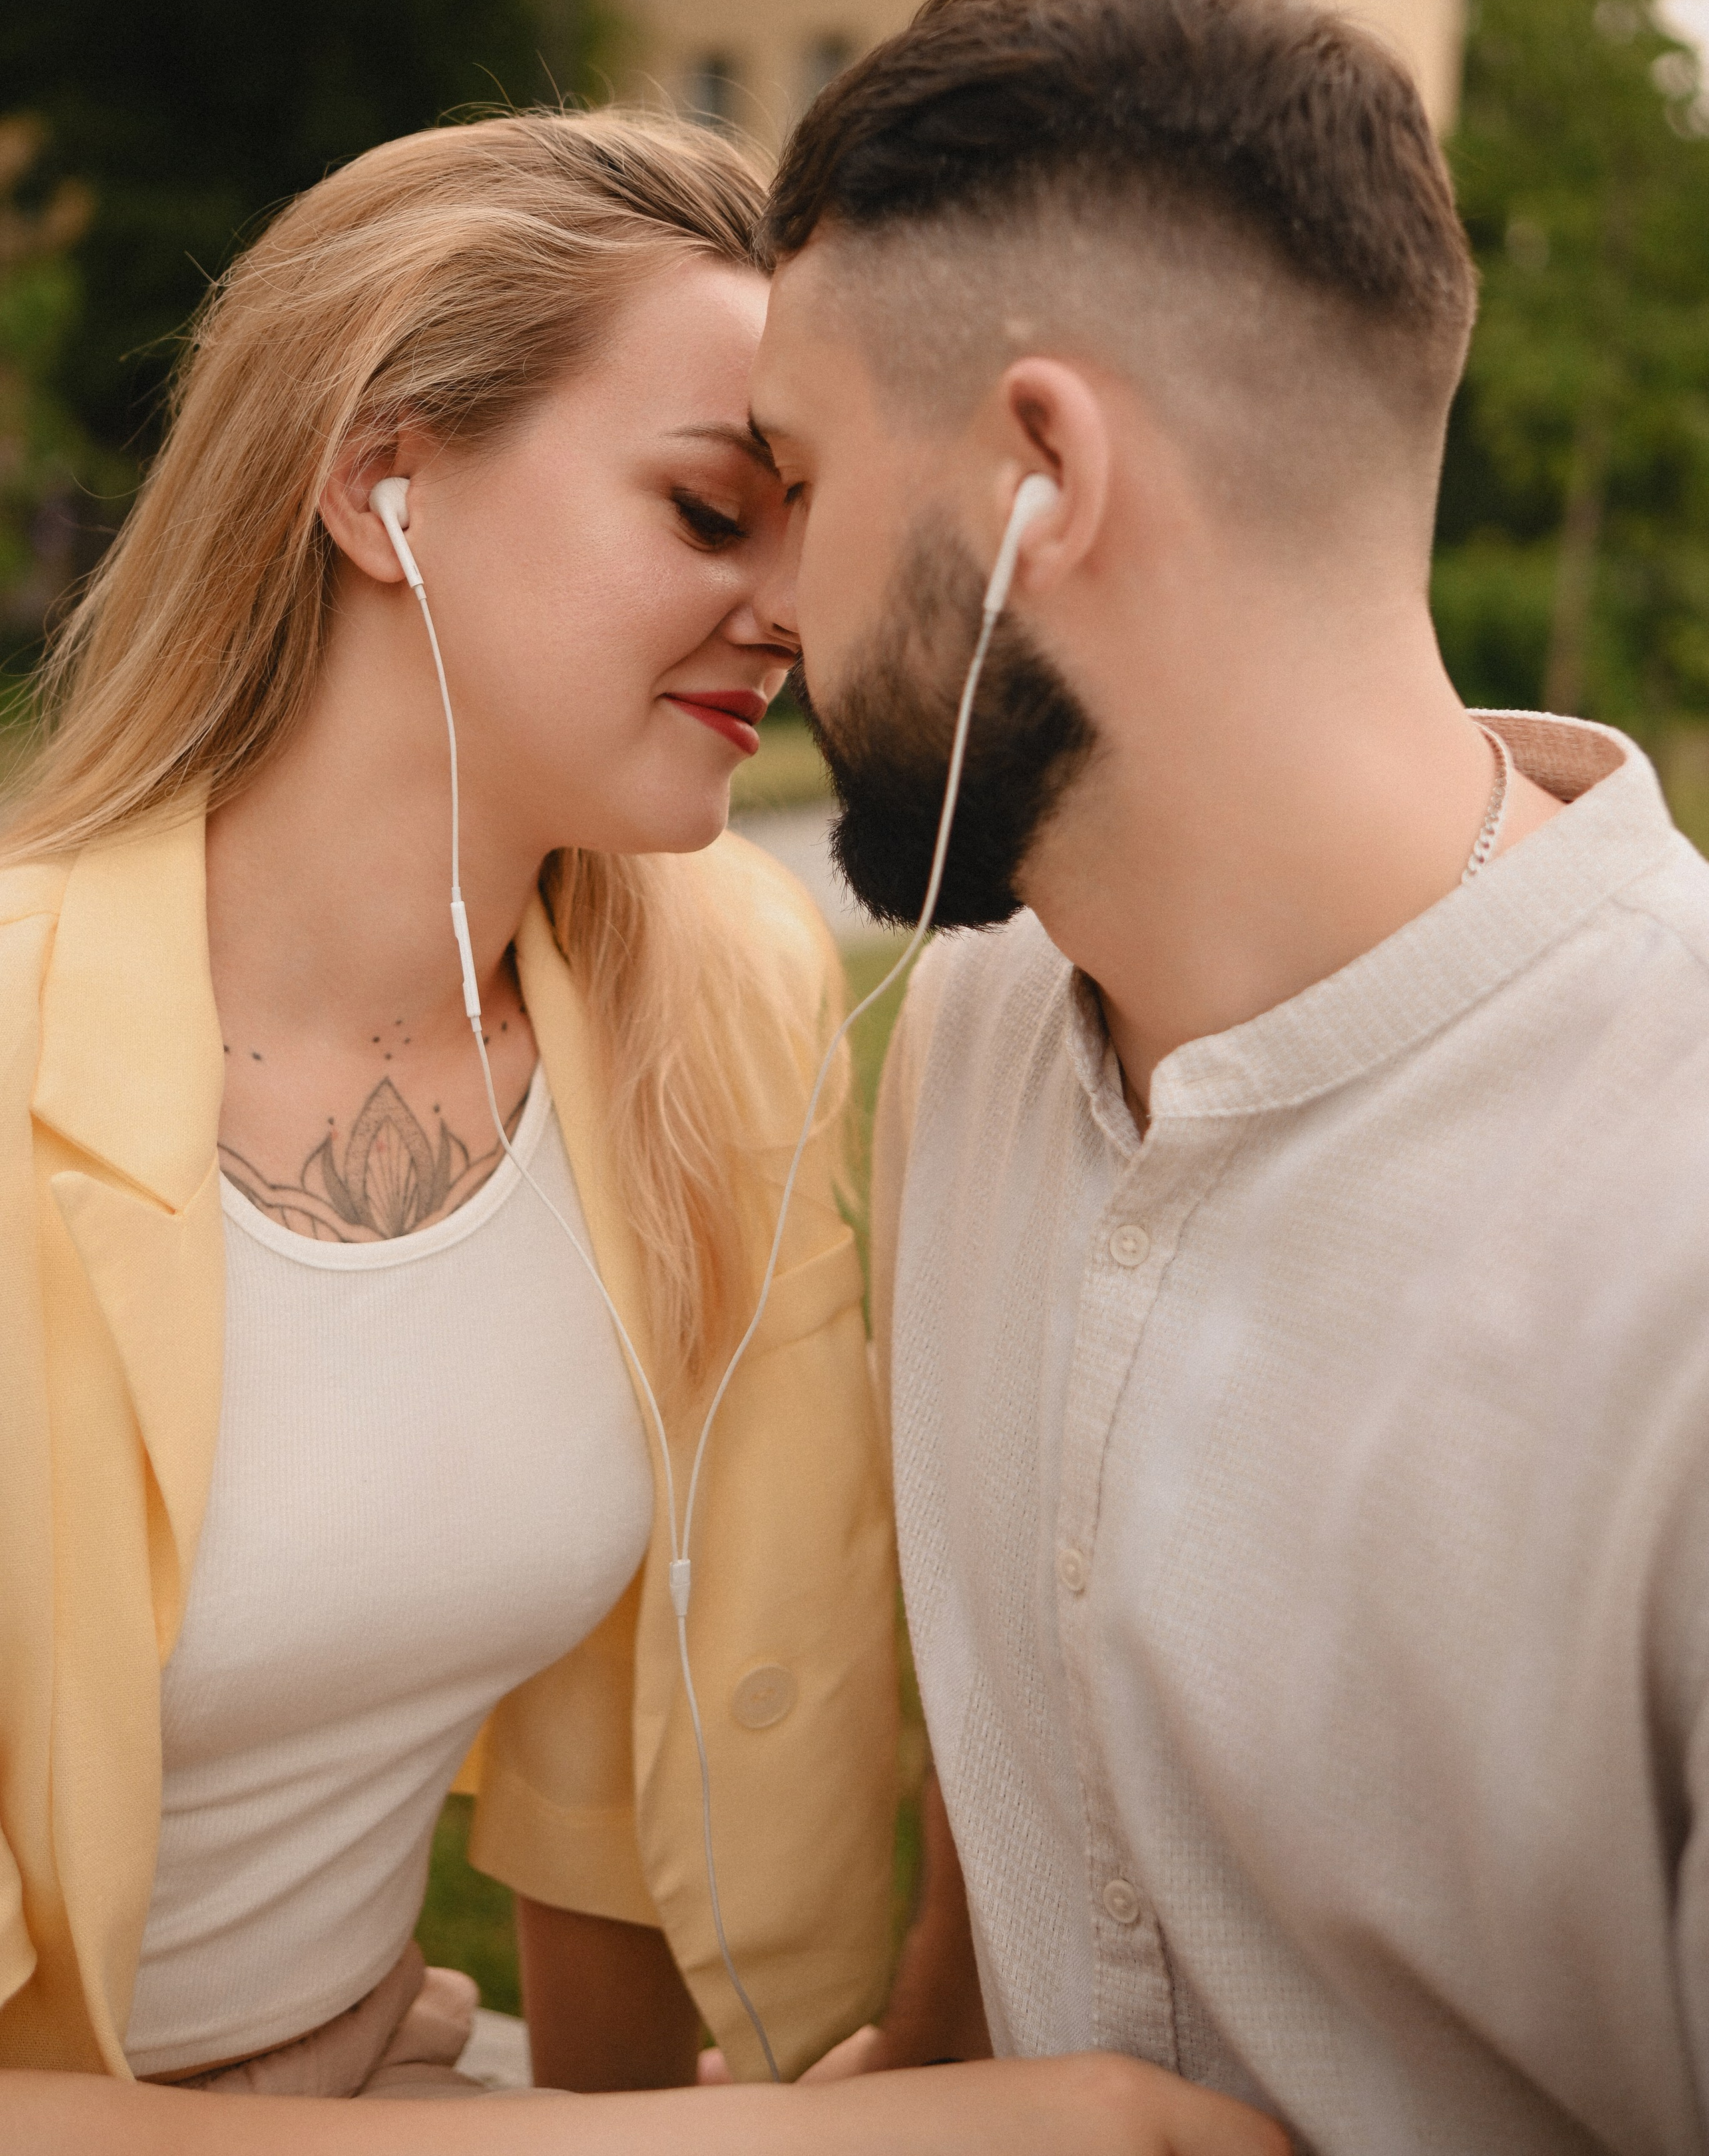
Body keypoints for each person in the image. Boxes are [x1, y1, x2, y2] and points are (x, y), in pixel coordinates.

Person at [0, 107, 1283, 2156]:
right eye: (709, 513)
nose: (798, 607)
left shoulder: (724, 993)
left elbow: (628, 1770)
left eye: (812, 513)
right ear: (380, 481)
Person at [749, 0, 1709, 2151]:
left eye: (794, 479)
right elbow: (1000, 1797)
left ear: (1039, 476)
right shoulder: (977, 1024)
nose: (770, 601)